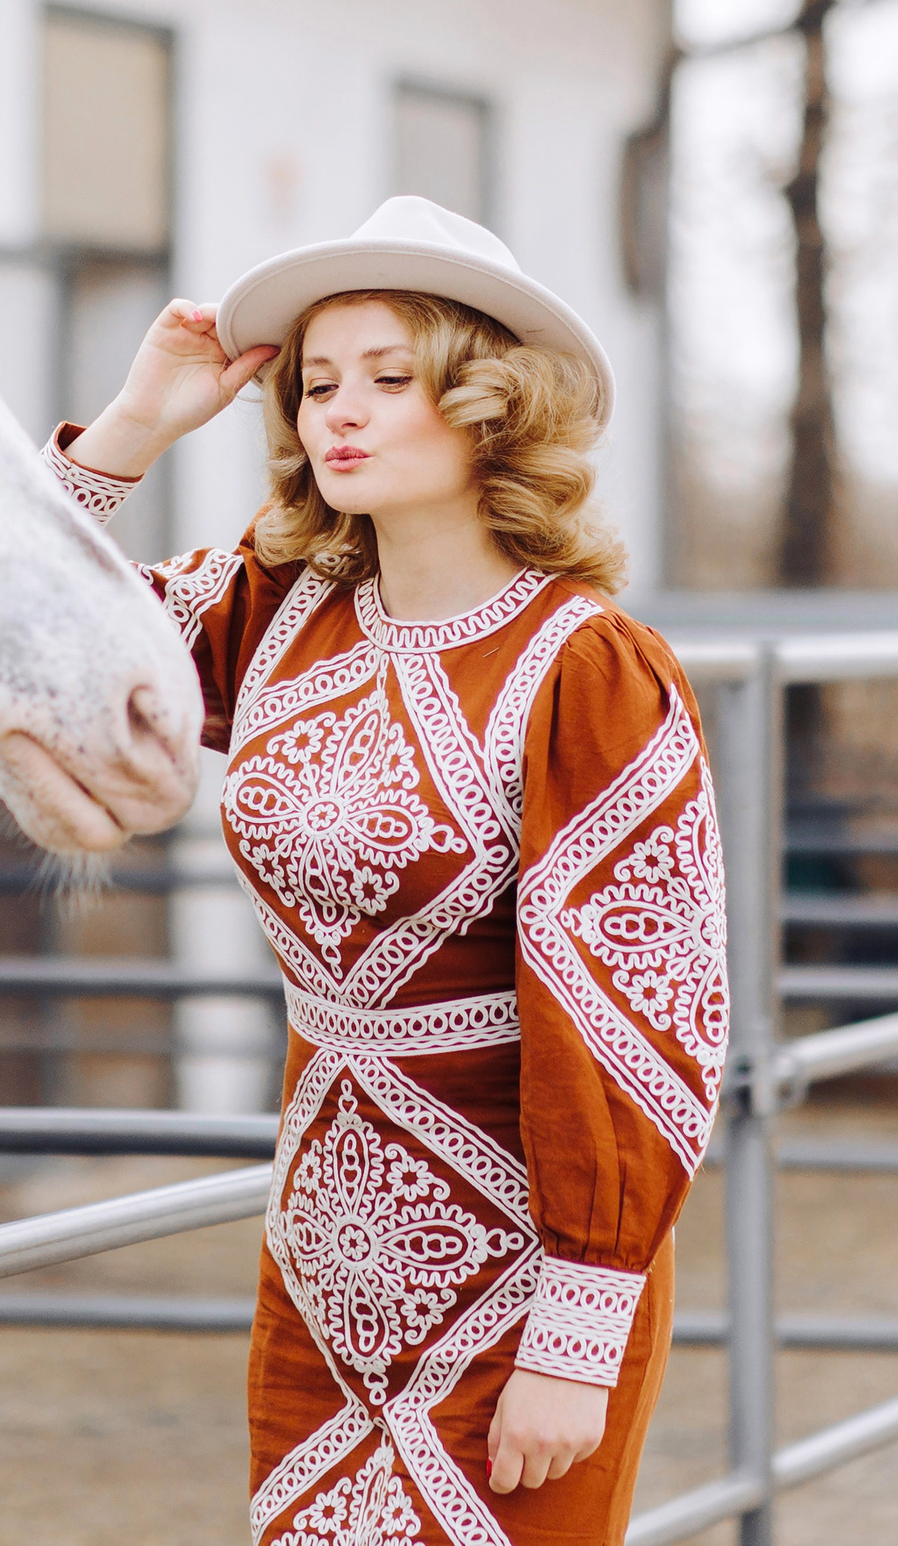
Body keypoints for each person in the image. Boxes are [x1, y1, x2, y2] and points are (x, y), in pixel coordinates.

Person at [45, 197, 727, 1545]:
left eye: (388, 378)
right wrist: (135, 423)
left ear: (486, 403)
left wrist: (578, 1334)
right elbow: (35, 636)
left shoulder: (587, 667)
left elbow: (640, 1011)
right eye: (314, 384)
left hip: (526, 1271)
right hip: (324, 1245)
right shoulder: (276, 606)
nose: (336, 414)